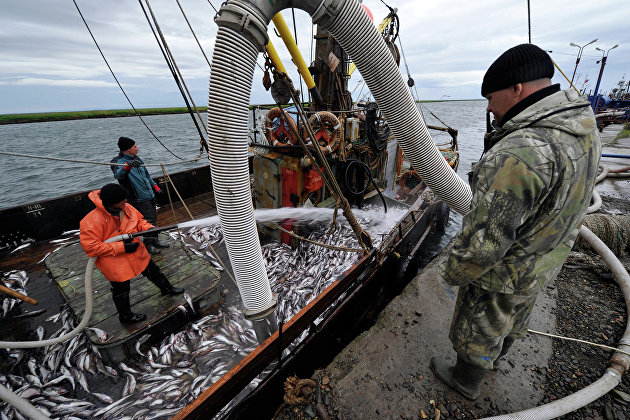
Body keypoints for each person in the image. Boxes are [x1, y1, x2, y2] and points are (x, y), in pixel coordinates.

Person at [430, 44, 601, 400]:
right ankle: (496, 359)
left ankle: (465, 379)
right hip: (546, 255)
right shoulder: (582, 126)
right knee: (516, 313)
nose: (489, 107)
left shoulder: (520, 150)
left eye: (491, 97)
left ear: (517, 89)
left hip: (507, 267)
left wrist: (452, 272)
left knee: (482, 322)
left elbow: (486, 242)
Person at [80, 184, 184, 324]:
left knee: (154, 272)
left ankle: (167, 289)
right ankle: (125, 316)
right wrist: (121, 247)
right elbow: (91, 247)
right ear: (111, 202)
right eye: (122, 200)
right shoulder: (90, 221)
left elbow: (139, 221)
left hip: (137, 252)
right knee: (121, 290)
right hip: (115, 262)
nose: (126, 202)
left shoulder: (127, 208)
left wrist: (149, 229)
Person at [111, 136, 169, 255]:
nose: (137, 148)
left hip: (150, 195)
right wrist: (128, 166)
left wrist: (156, 187)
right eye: (135, 147)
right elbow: (118, 175)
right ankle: (148, 245)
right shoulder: (117, 161)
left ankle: (155, 240)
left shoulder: (137, 159)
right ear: (127, 149)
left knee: (153, 220)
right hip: (138, 199)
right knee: (145, 222)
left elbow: (146, 175)